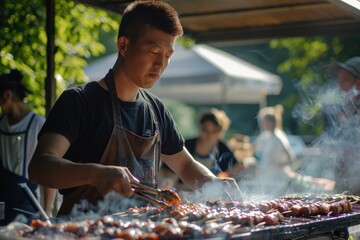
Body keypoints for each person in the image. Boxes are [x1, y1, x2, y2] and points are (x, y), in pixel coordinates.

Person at [28, 1, 242, 216]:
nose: (161, 64)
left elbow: (185, 167)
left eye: (168, 55)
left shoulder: (156, 110)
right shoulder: (80, 101)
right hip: (82, 231)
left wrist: (213, 183)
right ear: (123, 45)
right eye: (153, 51)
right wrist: (94, 174)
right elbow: (40, 167)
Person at [0, 69, 56, 225]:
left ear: (7, 95)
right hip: (4, 205)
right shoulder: (1, 124)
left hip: (30, 205)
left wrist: (47, 210)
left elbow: (48, 171)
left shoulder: (38, 124)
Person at [185, 108, 238, 176]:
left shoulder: (222, 148)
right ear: (200, 128)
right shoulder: (186, 146)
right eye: (205, 130)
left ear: (220, 132)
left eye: (214, 131)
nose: (209, 134)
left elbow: (237, 167)